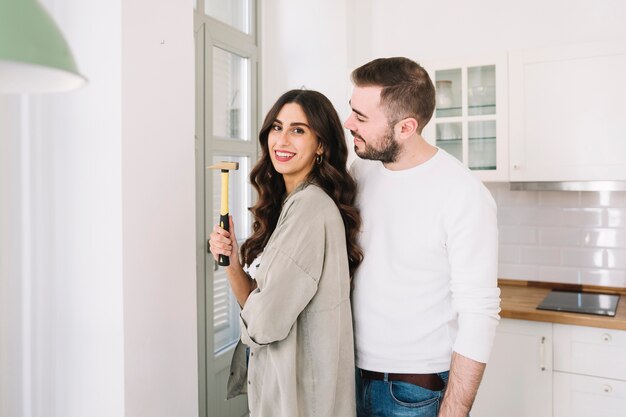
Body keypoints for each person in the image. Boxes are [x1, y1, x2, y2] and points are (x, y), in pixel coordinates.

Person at [344, 57, 501, 417]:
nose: (349, 123)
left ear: (406, 127)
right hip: (350, 374)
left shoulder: (463, 194)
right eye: (352, 110)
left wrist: (453, 412)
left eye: (361, 118)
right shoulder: (362, 168)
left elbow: (480, 313)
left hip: (414, 392)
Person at [209, 89, 363, 417]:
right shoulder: (294, 205)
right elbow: (259, 300)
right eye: (277, 128)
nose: (282, 140)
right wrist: (232, 260)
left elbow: (263, 323)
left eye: (298, 130)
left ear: (321, 145)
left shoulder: (309, 209)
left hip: (301, 403)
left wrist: (259, 309)